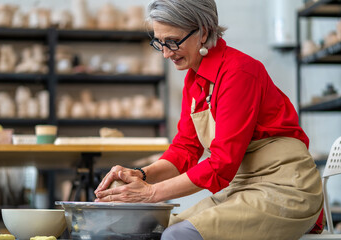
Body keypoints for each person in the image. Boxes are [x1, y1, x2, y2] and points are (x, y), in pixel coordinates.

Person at [94, 0, 324, 239]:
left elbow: (222, 164)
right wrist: (141, 175)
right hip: (242, 187)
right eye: (159, 42)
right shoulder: (194, 81)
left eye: (172, 41)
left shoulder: (239, 72)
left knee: (178, 236)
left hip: (286, 188)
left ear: (202, 32)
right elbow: (185, 150)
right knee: (151, 230)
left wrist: (151, 194)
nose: (165, 53)